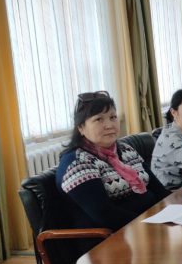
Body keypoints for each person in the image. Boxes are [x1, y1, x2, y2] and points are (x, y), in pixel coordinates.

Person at [57, 91, 168, 232]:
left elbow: (158, 190)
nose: (109, 125)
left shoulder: (126, 150)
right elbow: (105, 215)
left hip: (148, 223)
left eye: (113, 117)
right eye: (99, 119)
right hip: (111, 237)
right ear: (81, 128)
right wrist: (152, 226)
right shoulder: (77, 163)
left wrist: (176, 209)